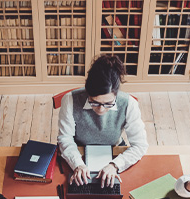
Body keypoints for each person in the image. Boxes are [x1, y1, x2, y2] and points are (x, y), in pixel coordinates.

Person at [57, 54, 148, 187]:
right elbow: (65, 139)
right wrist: (78, 165)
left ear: (116, 94)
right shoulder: (70, 100)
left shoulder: (129, 104)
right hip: (78, 151)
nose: (100, 109)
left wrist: (115, 165)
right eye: (94, 102)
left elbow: (140, 145)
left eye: (108, 104)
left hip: (114, 150)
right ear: (88, 92)